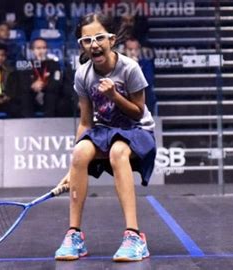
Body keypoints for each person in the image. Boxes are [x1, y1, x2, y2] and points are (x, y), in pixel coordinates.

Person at [54, 13, 156, 262]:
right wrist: (73, 167)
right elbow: (86, 122)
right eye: (87, 40)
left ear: (111, 40)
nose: (94, 44)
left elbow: (138, 112)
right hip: (104, 131)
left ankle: (134, 237)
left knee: (118, 152)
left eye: (99, 38)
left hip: (137, 130)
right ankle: (74, 236)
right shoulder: (83, 75)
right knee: (80, 152)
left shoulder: (129, 68)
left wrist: (114, 96)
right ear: (81, 45)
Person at [20, 38, 62, 117]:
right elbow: (22, 82)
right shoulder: (26, 65)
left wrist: (43, 85)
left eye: (44, 48)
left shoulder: (54, 64)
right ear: (32, 50)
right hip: (32, 94)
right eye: (38, 48)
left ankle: (49, 123)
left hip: (48, 94)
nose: (41, 51)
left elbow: (56, 81)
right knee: (25, 97)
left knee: (51, 96)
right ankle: (28, 123)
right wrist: (32, 86)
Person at [124, 38, 157, 114]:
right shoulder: (118, 63)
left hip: (143, 100)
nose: (133, 52)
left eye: (135, 50)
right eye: (130, 49)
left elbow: (148, 81)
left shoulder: (146, 63)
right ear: (125, 50)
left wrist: (136, 68)